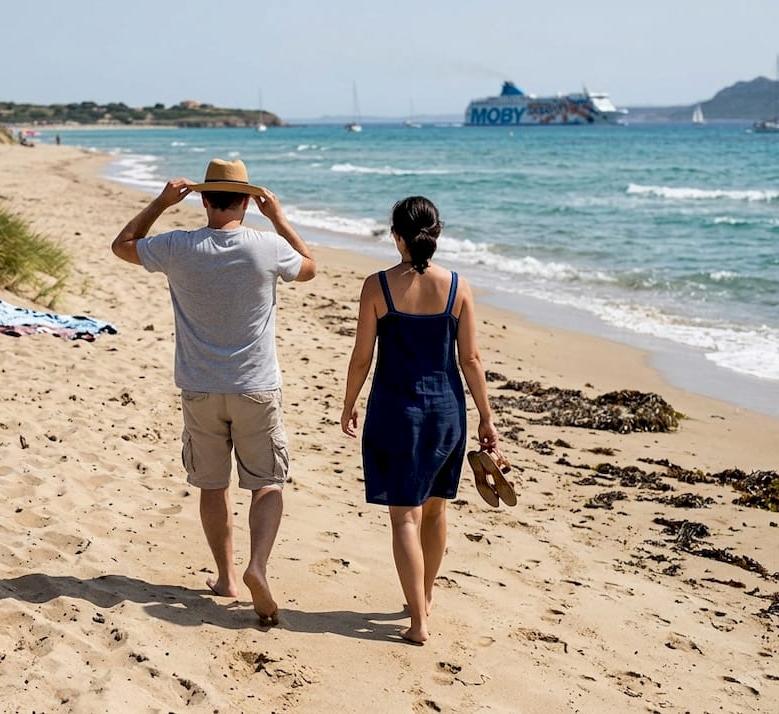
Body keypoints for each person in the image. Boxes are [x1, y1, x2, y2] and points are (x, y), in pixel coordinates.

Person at [112, 158, 317, 626]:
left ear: (204, 199)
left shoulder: (179, 246)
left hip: (200, 386)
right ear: (246, 201)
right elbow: (308, 268)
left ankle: (225, 576)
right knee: (266, 482)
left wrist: (162, 203)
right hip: (255, 385)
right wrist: (279, 218)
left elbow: (123, 245)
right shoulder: (266, 247)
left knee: (211, 484)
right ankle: (257, 567)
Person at [340, 195, 499, 644]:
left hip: (396, 411)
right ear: (437, 234)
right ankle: (423, 600)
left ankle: (419, 623)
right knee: (435, 510)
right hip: (447, 413)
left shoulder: (378, 286)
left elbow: (361, 357)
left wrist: (349, 402)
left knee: (404, 518)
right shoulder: (458, 287)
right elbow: (471, 359)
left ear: (396, 237)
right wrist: (486, 417)